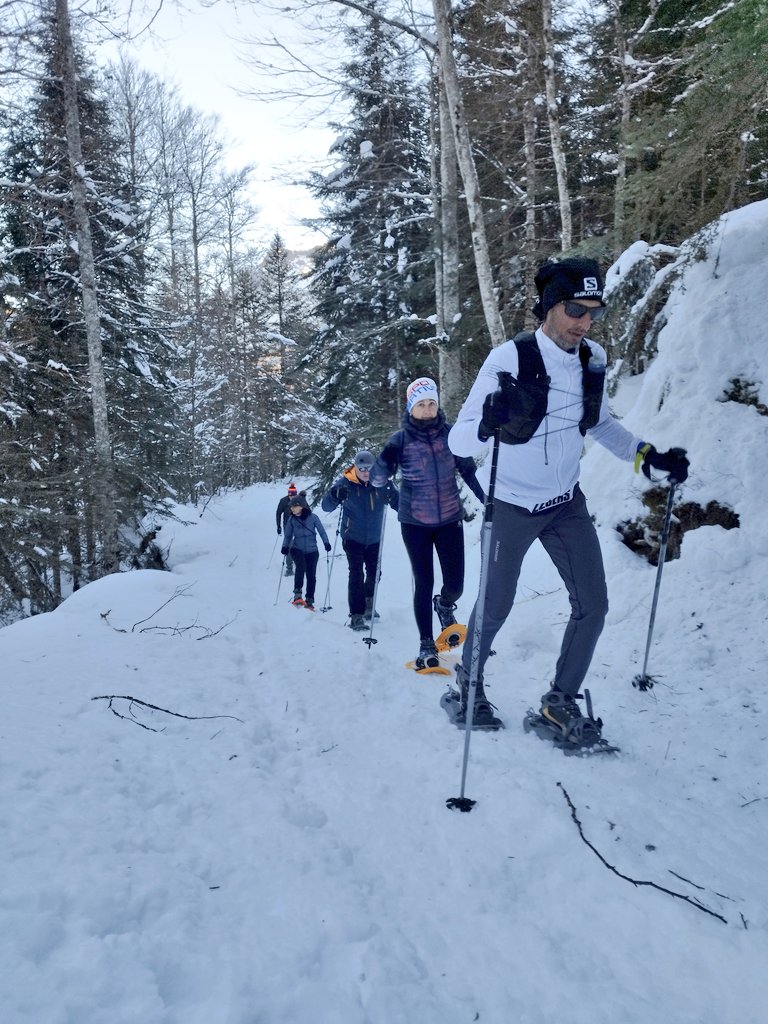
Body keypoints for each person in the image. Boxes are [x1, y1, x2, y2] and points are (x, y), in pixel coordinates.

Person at [448, 256, 689, 734]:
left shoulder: (592, 360)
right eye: (576, 310)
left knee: (593, 605)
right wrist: (485, 423)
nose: (585, 322)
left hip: (564, 504)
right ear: (550, 307)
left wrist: (648, 457)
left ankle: (558, 701)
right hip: (512, 504)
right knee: (494, 605)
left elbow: (598, 423)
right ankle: (468, 685)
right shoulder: (509, 359)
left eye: (593, 312)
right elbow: (459, 444)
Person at [371, 377, 485, 667]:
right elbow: (377, 478)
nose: (427, 408)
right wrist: (382, 470)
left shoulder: (452, 435)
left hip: (449, 519)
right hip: (415, 523)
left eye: (431, 403)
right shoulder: (399, 441)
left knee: (455, 583)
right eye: (421, 404)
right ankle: (426, 644)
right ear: (411, 408)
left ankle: (444, 604)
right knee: (424, 581)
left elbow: (470, 471)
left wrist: (489, 500)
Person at [321, 450, 399, 631]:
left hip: (374, 537)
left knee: (375, 572)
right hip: (352, 537)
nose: (365, 471)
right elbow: (326, 506)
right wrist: (335, 495)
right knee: (356, 574)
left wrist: (397, 500)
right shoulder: (345, 484)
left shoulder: (383, 484)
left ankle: (369, 603)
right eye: (361, 468)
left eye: (369, 468)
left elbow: (400, 505)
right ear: (355, 467)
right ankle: (356, 615)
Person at [281, 494, 332, 610]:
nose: (292, 509)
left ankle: (309, 600)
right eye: (291, 507)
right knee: (300, 566)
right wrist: (284, 546)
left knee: (311, 575)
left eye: (294, 506)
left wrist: (326, 543)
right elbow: (288, 535)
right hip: (297, 548)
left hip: (312, 550)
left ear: (301, 507)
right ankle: (297, 595)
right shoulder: (292, 520)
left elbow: (322, 531)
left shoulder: (313, 518)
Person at [275, 483, 298, 576]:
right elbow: (278, 513)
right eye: (290, 495)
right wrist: (278, 526)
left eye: (294, 496)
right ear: (288, 494)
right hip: (287, 526)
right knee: (290, 545)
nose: (292, 497)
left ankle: (299, 563)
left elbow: (307, 511)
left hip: (298, 526)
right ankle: (289, 568)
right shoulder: (283, 501)